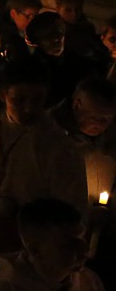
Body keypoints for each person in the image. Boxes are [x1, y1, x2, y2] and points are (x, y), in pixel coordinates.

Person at [0, 57, 87, 217]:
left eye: (37, 99)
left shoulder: (60, 147)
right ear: (2, 95)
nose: (28, 108)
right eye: (18, 100)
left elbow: (71, 210)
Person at [50, 76, 116, 209]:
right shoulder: (49, 133)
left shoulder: (109, 135)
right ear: (77, 105)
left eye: (108, 119)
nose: (103, 124)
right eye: (96, 117)